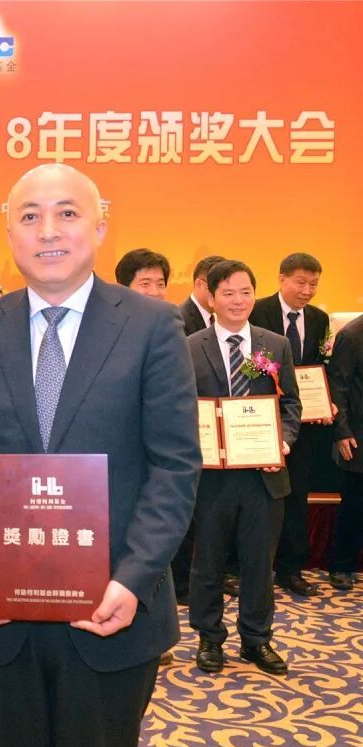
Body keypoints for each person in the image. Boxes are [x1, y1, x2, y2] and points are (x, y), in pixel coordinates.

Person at [0, 163, 201, 747]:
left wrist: (133, 579)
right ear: (10, 233)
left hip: (113, 608)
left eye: (68, 213)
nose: (48, 230)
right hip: (3, 612)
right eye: (29, 216)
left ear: (100, 227)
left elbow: (175, 465)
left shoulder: (153, 326)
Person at [188, 260, 301, 676]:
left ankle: (256, 640)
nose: (238, 301)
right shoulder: (190, 346)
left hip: (263, 476)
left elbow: (291, 404)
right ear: (211, 297)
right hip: (210, 478)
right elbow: (181, 408)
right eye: (228, 293)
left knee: (259, 564)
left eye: (246, 292)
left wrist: (283, 441)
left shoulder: (275, 344)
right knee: (207, 563)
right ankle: (209, 638)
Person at [249, 252, 333, 597]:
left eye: (313, 284)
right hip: (260, 421)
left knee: (297, 496)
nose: (307, 291)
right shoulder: (257, 311)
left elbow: (321, 366)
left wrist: (326, 400)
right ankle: (249, 566)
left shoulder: (319, 319)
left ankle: (291, 569)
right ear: (282, 279)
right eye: (301, 282)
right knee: (257, 497)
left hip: (304, 424)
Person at [173, 254, 238, 603]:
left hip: (229, 438)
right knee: (188, 513)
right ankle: (185, 583)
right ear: (205, 288)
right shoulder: (179, 319)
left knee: (211, 518)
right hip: (193, 431)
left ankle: (211, 575)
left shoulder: (236, 327)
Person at [326, 313, 363, 591]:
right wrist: (342, 432)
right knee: (355, 503)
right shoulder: (352, 335)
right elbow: (337, 387)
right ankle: (342, 565)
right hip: (358, 434)